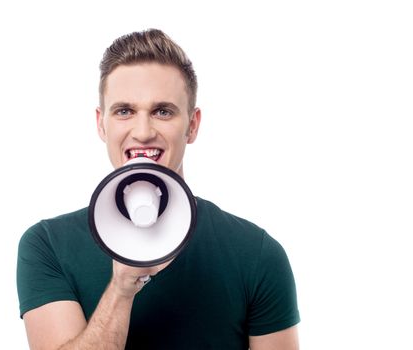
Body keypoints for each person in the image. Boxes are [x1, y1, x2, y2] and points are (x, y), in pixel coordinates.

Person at [17, 28, 300, 349]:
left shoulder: (257, 254)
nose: (142, 131)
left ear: (192, 125)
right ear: (101, 124)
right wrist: (123, 287)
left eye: (162, 111)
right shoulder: (47, 245)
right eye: (124, 111)